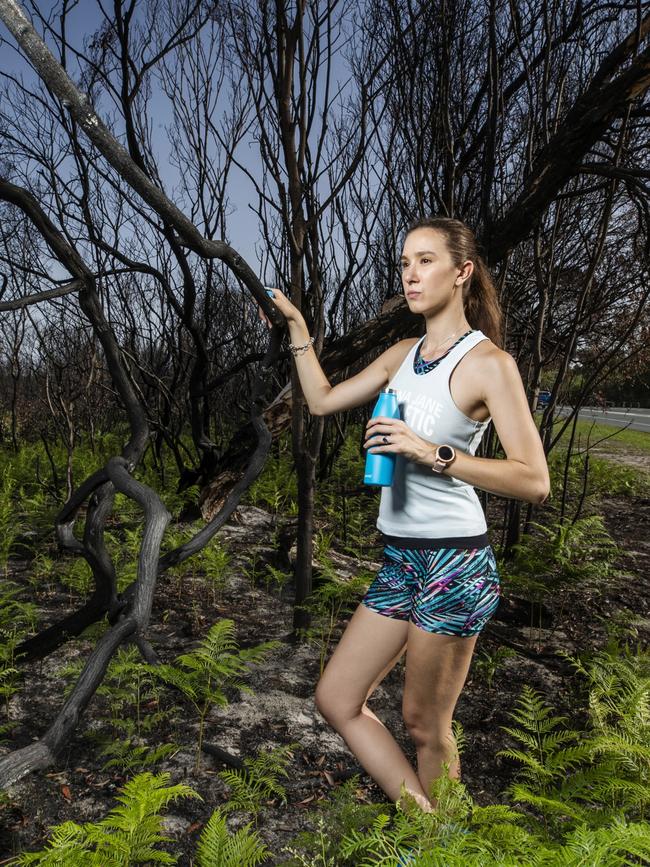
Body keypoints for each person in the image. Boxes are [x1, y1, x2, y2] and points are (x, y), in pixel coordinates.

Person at [260, 216, 550, 813]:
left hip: (455, 563)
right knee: (337, 698)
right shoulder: (401, 355)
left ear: (462, 272)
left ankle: (442, 846)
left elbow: (534, 481)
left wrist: (431, 452)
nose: (410, 275)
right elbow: (319, 401)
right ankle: (427, 826)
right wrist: (298, 330)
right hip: (401, 559)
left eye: (425, 261)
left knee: (423, 724)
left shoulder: (489, 364)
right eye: (404, 263)